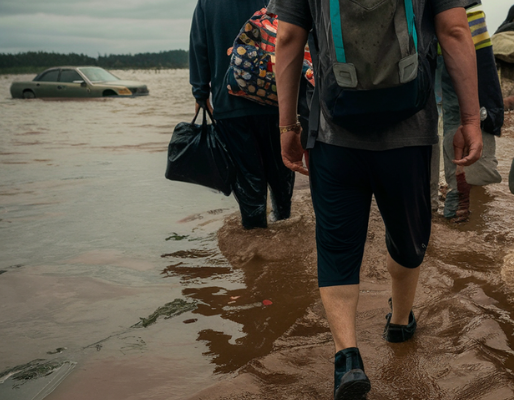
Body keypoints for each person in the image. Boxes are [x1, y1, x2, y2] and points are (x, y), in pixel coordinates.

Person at [269, 0, 482, 397]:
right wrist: (470, 120)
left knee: (337, 246)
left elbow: (287, 37)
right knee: (408, 235)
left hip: (333, 133)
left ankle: (347, 359)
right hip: (410, 133)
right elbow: (455, 31)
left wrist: (287, 126)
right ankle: (399, 323)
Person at [190, 0, 295, 230]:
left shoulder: (207, 3)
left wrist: (200, 92)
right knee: (281, 172)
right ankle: (285, 228)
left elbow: (199, 47)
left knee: (248, 180)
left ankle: (256, 242)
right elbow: (293, 36)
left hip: (230, 106)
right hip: (275, 100)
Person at [435, 5, 504, 222]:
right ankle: (458, 205)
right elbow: (459, 28)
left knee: (421, 122)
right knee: (459, 121)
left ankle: (421, 206)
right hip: (454, 45)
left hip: (410, 51)